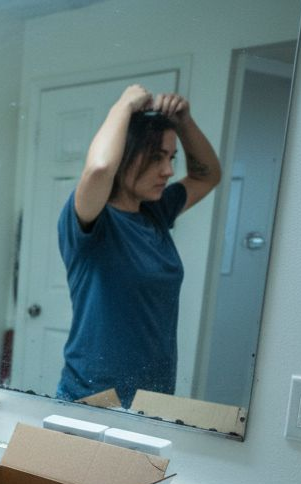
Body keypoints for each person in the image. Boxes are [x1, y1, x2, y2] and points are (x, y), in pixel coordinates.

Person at [56, 84, 220, 408]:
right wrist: (125, 104)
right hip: (92, 399)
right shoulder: (92, 217)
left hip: (154, 401)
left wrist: (184, 121)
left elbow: (208, 174)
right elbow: (100, 167)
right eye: (156, 157)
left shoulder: (156, 212)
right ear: (126, 154)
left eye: (171, 157)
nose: (169, 171)